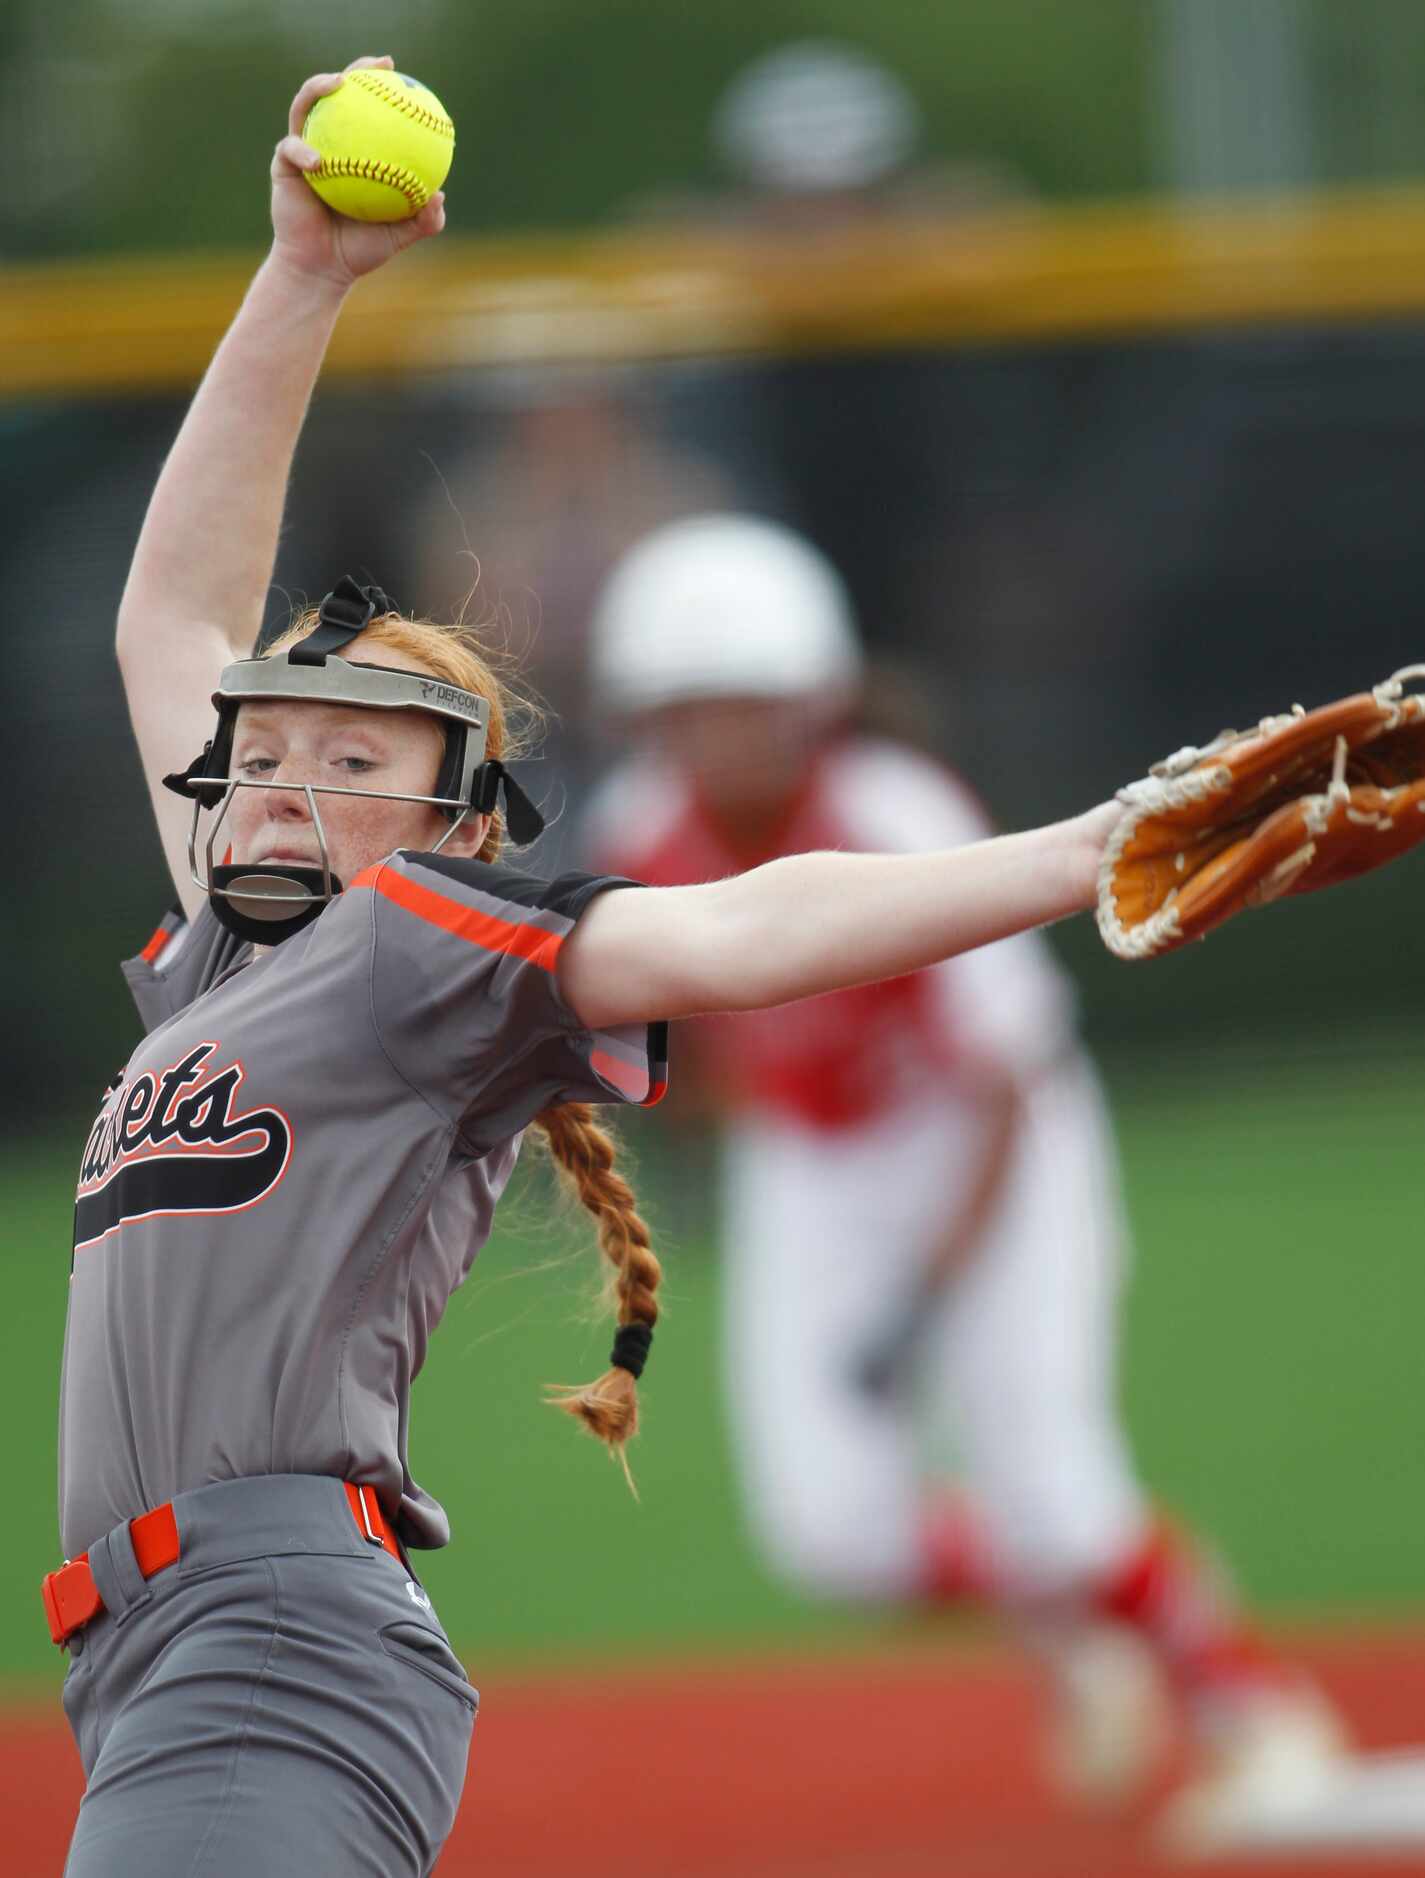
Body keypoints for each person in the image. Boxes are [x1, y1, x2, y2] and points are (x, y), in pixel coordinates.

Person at [50, 59, 1129, 1878]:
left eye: (358, 757)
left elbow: (734, 928)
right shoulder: (231, 956)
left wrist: (1089, 848)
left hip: (276, 1643)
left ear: (450, 832)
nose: (292, 769)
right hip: (151, 1654)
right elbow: (170, 619)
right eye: (274, 741)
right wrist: (302, 278)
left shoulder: (419, 948)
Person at [581, 511, 1351, 1855]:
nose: (722, 733)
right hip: (810, 1166)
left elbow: (1002, 1074)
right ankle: (1088, 1611)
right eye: (688, 706)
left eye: (749, 700)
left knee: (1052, 1489)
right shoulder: (634, 826)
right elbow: (681, 1034)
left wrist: (929, 1291)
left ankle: (1247, 1702)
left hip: (988, 1148)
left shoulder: (893, 809)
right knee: (837, 1540)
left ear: (815, 696)